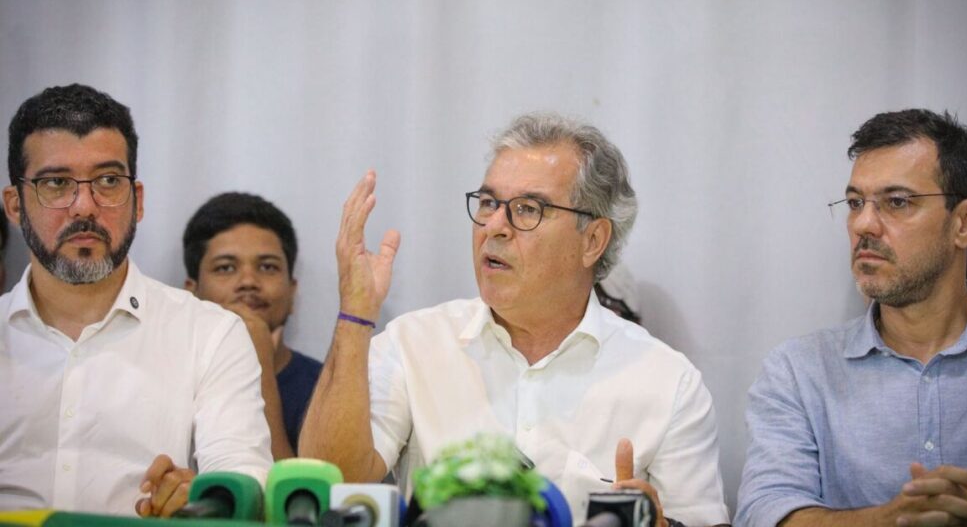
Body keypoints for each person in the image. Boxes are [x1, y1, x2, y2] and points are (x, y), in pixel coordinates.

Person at [301, 113, 730, 527]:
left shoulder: (668, 382)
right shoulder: (413, 343)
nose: (494, 226)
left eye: (527, 209)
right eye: (489, 203)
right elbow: (330, 484)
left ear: (593, 240)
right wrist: (355, 313)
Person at [736, 109, 967, 527]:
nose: (863, 225)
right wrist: (888, 520)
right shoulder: (800, 370)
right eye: (855, 203)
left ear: (966, 222)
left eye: (897, 202)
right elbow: (764, 513)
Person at [0, 84, 272, 517]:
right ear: (15, 206)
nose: (84, 206)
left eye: (108, 181)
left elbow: (245, 477)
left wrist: (207, 496)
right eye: (56, 183)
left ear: (137, 201)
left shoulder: (209, 333)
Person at [183, 192, 323, 458]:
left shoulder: (326, 389)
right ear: (192, 292)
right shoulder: (164, 376)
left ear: (292, 292)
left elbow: (289, 486)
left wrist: (260, 369)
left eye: (268, 267)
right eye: (225, 268)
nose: (248, 281)